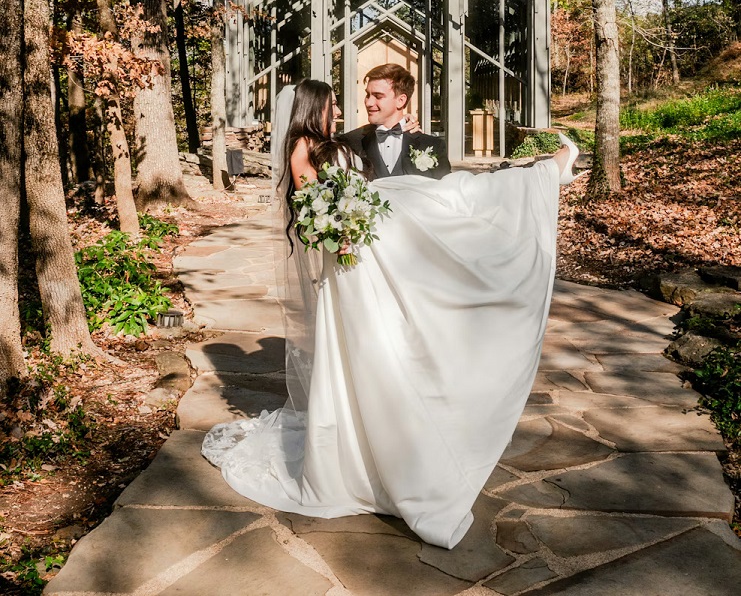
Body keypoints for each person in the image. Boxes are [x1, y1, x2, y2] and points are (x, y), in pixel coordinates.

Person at [202, 78, 581, 550]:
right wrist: (343, 227)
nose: (342, 111)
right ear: (315, 108)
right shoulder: (306, 147)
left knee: (449, 196)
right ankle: (544, 174)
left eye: (364, 99)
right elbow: (315, 206)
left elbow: (343, 187)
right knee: (375, 346)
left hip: (366, 246)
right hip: (354, 254)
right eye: (333, 105)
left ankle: (542, 174)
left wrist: (399, 142)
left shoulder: (331, 144)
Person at [340, 62, 451, 179]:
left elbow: (446, 188)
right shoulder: (349, 143)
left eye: (378, 96)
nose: (368, 102)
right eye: (368, 95)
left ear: (401, 101)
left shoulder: (432, 145)